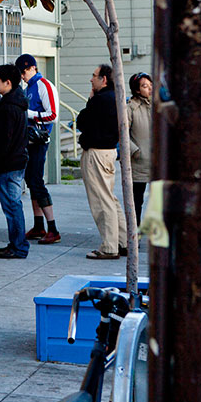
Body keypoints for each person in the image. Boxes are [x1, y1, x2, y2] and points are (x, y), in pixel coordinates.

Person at [76, 64, 126, 260]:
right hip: (108, 152)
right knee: (110, 198)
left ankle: (109, 246)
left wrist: (90, 100)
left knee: (101, 201)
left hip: (96, 153)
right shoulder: (116, 98)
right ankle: (123, 241)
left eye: (94, 76)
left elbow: (81, 122)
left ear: (104, 79)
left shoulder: (100, 100)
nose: (91, 79)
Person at [14, 54, 61, 244]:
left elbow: (53, 115)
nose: (23, 76)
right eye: (21, 73)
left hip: (39, 141)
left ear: (33, 68)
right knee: (32, 181)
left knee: (36, 182)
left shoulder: (44, 85)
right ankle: (39, 225)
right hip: (30, 141)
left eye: (24, 72)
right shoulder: (29, 88)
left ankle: (52, 228)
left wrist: (30, 114)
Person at [0, 65, 31, 259]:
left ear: (8, 83)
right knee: (13, 205)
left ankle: (19, 246)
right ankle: (16, 243)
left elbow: (3, 140)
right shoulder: (16, 101)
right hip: (16, 161)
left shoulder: (8, 106)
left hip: (9, 163)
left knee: (12, 206)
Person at [127, 72, 152, 225]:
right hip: (139, 163)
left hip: (159, 163)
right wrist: (135, 151)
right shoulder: (131, 108)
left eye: (150, 85)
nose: (149, 89)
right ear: (137, 90)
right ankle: (133, 234)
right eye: (144, 86)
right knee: (137, 201)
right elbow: (121, 133)